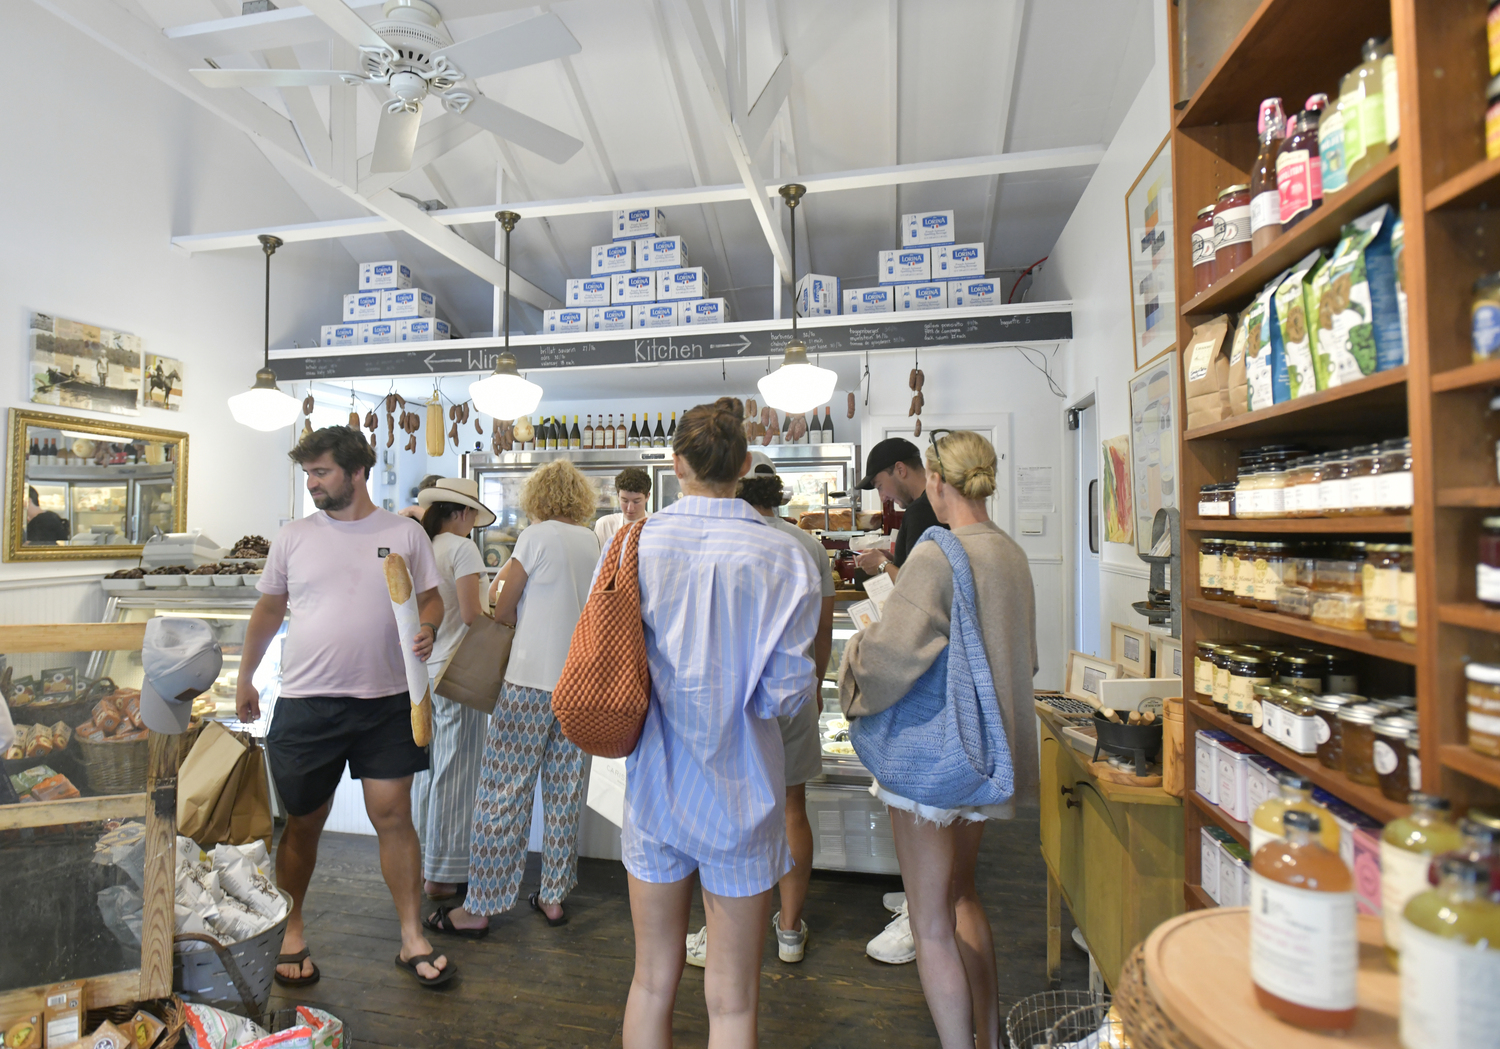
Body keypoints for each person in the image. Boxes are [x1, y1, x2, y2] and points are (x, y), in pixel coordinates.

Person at [621, 398, 819, 1049]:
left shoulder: (634, 541)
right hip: (744, 790)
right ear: (744, 463)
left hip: (655, 784)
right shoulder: (784, 557)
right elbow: (787, 696)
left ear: (674, 464)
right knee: (732, 1003)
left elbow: (614, 663)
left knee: (652, 979)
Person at [236, 426, 455, 989]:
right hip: (309, 703)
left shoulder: (403, 533)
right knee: (303, 822)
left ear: (358, 472)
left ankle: (412, 936)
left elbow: (431, 597)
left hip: (387, 702)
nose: (312, 484)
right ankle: (292, 929)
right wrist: (245, 678)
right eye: (308, 473)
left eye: (322, 472)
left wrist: (428, 626)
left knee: (393, 816)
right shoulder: (293, 536)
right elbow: (267, 610)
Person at [838, 430, 1037, 1049]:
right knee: (963, 898)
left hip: (936, 760)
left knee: (927, 923)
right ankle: (989, 1033)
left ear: (939, 481)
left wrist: (854, 649)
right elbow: (1021, 659)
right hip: (987, 752)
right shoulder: (1010, 552)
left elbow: (886, 660)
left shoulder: (936, 554)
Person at [425, 460, 599, 936]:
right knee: (565, 794)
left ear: (538, 497)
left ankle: (481, 905)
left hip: (527, 682)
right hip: (577, 684)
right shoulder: (593, 540)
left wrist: (508, 596)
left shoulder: (536, 537)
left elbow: (502, 608)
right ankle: (554, 896)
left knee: (504, 792)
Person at [684, 451, 834, 968]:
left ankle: (718, 932)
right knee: (793, 809)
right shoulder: (807, 544)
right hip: (790, 693)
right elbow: (820, 633)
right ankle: (789, 931)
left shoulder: (719, 539)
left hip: (727, 699)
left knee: (725, 809)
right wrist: (814, 683)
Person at [410, 477, 494, 902]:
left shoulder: (424, 547)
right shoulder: (462, 549)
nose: (475, 522)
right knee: (455, 774)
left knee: (429, 773)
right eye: (473, 514)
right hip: (459, 672)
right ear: (459, 512)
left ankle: (424, 862)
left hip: (426, 671)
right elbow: (470, 615)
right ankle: (442, 874)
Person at [853, 438, 946, 581]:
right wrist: (895, 560)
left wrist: (882, 564)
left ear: (900, 470)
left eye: (879, 486)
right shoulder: (938, 501)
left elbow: (916, 585)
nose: (882, 498)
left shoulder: (921, 510)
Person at [594, 467, 652, 546]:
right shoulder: (605, 525)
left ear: (647, 496)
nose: (630, 508)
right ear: (618, 496)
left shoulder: (659, 525)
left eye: (636, 501)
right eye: (625, 501)